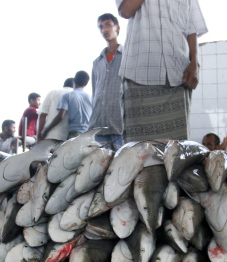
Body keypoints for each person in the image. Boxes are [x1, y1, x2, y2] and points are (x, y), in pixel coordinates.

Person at [116, 0, 208, 142]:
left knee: (176, 150)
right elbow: (126, 10)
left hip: (178, 76)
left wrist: (195, 63)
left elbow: (192, 29)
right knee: (138, 150)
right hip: (139, 75)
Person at [89, 13, 124, 151]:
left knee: (121, 167)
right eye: (101, 27)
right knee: (100, 169)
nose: (104, 30)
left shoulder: (127, 56)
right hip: (98, 127)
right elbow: (94, 93)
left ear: (117, 28)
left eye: (108, 25)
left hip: (120, 126)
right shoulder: (97, 63)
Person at [41, 71, 92, 140]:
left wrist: (46, 130)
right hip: (88, 133)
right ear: (86, 83)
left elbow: (61, 116)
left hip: (75, 132)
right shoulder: (91, 97)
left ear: (74, 80)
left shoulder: (67, 96)